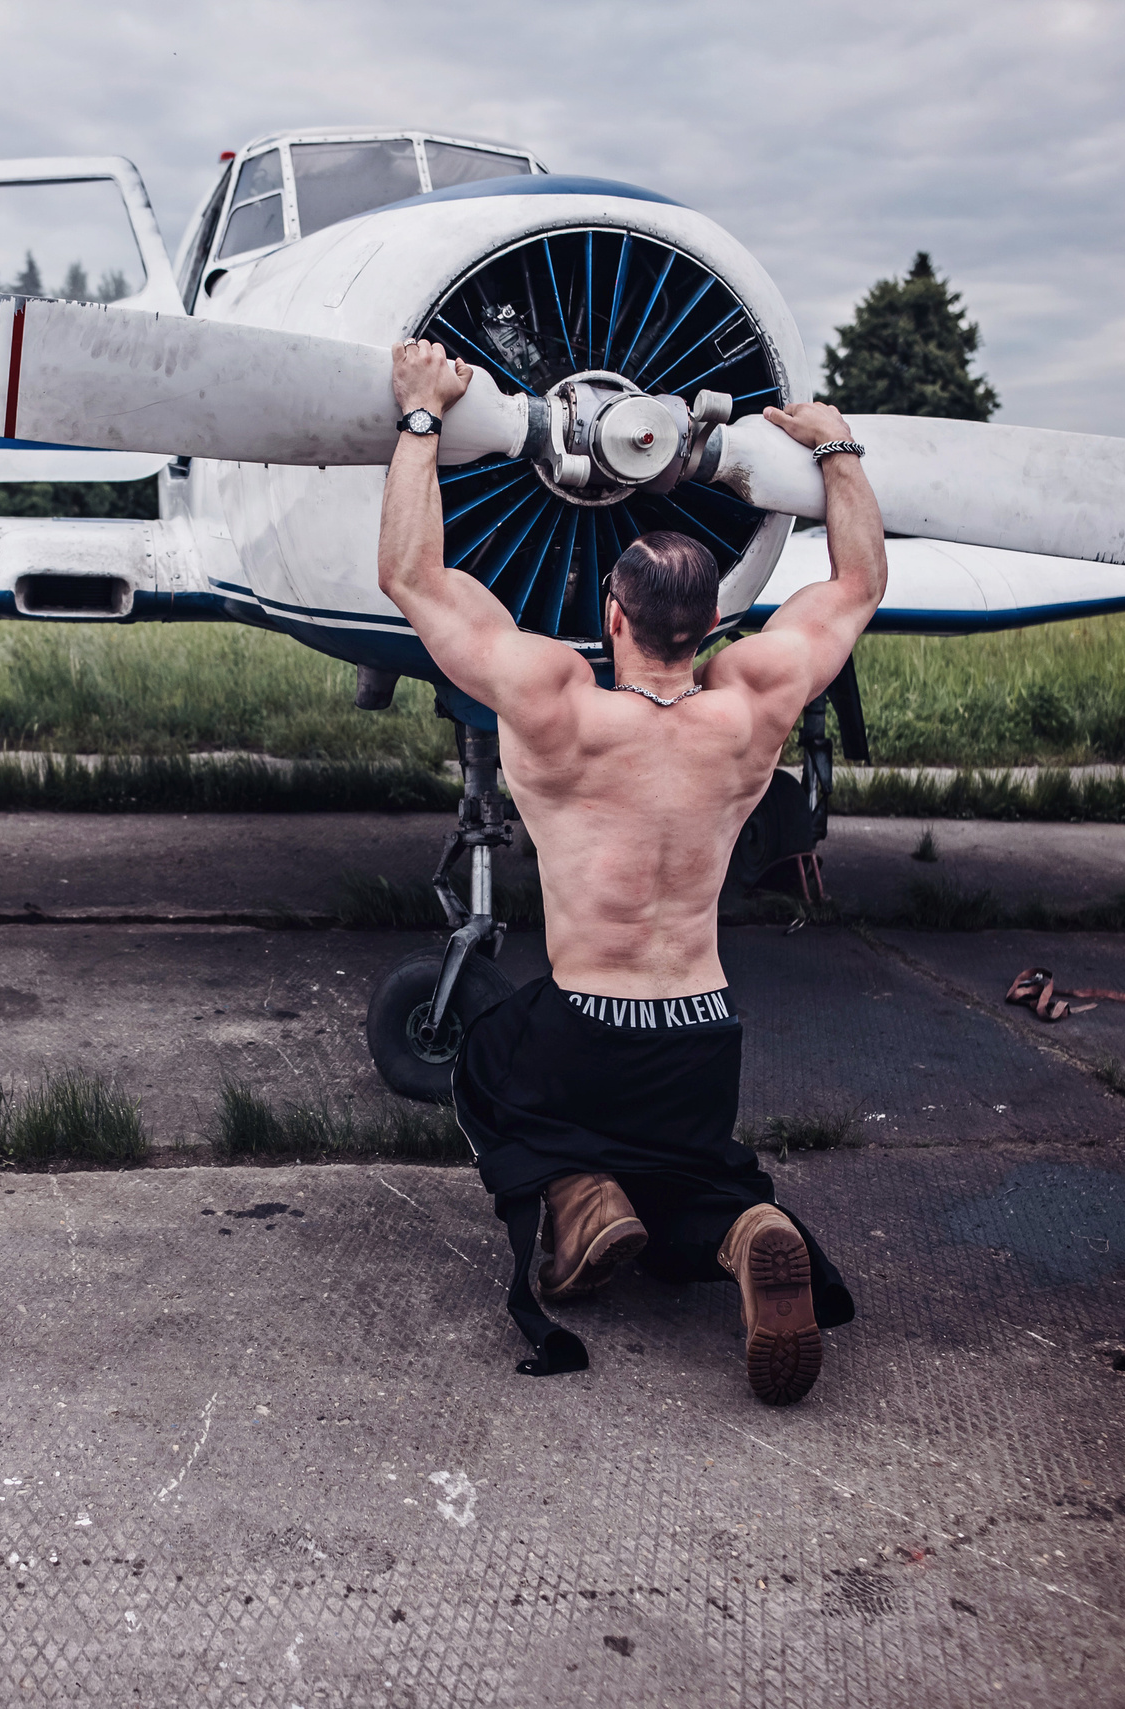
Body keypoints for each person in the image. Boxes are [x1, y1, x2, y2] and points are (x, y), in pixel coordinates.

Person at [375, 340, 886, 1405]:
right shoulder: (752, 704)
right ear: (710, 625)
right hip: (700, 1029)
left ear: (613, 615)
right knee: (698, 1179)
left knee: (487, 1065)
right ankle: (747, 1232)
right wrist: (834, 445)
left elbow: (411, 577)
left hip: (583, 1024)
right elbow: (857, 583)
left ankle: (577, 1195)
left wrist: (422, 414)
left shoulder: (556, 703)